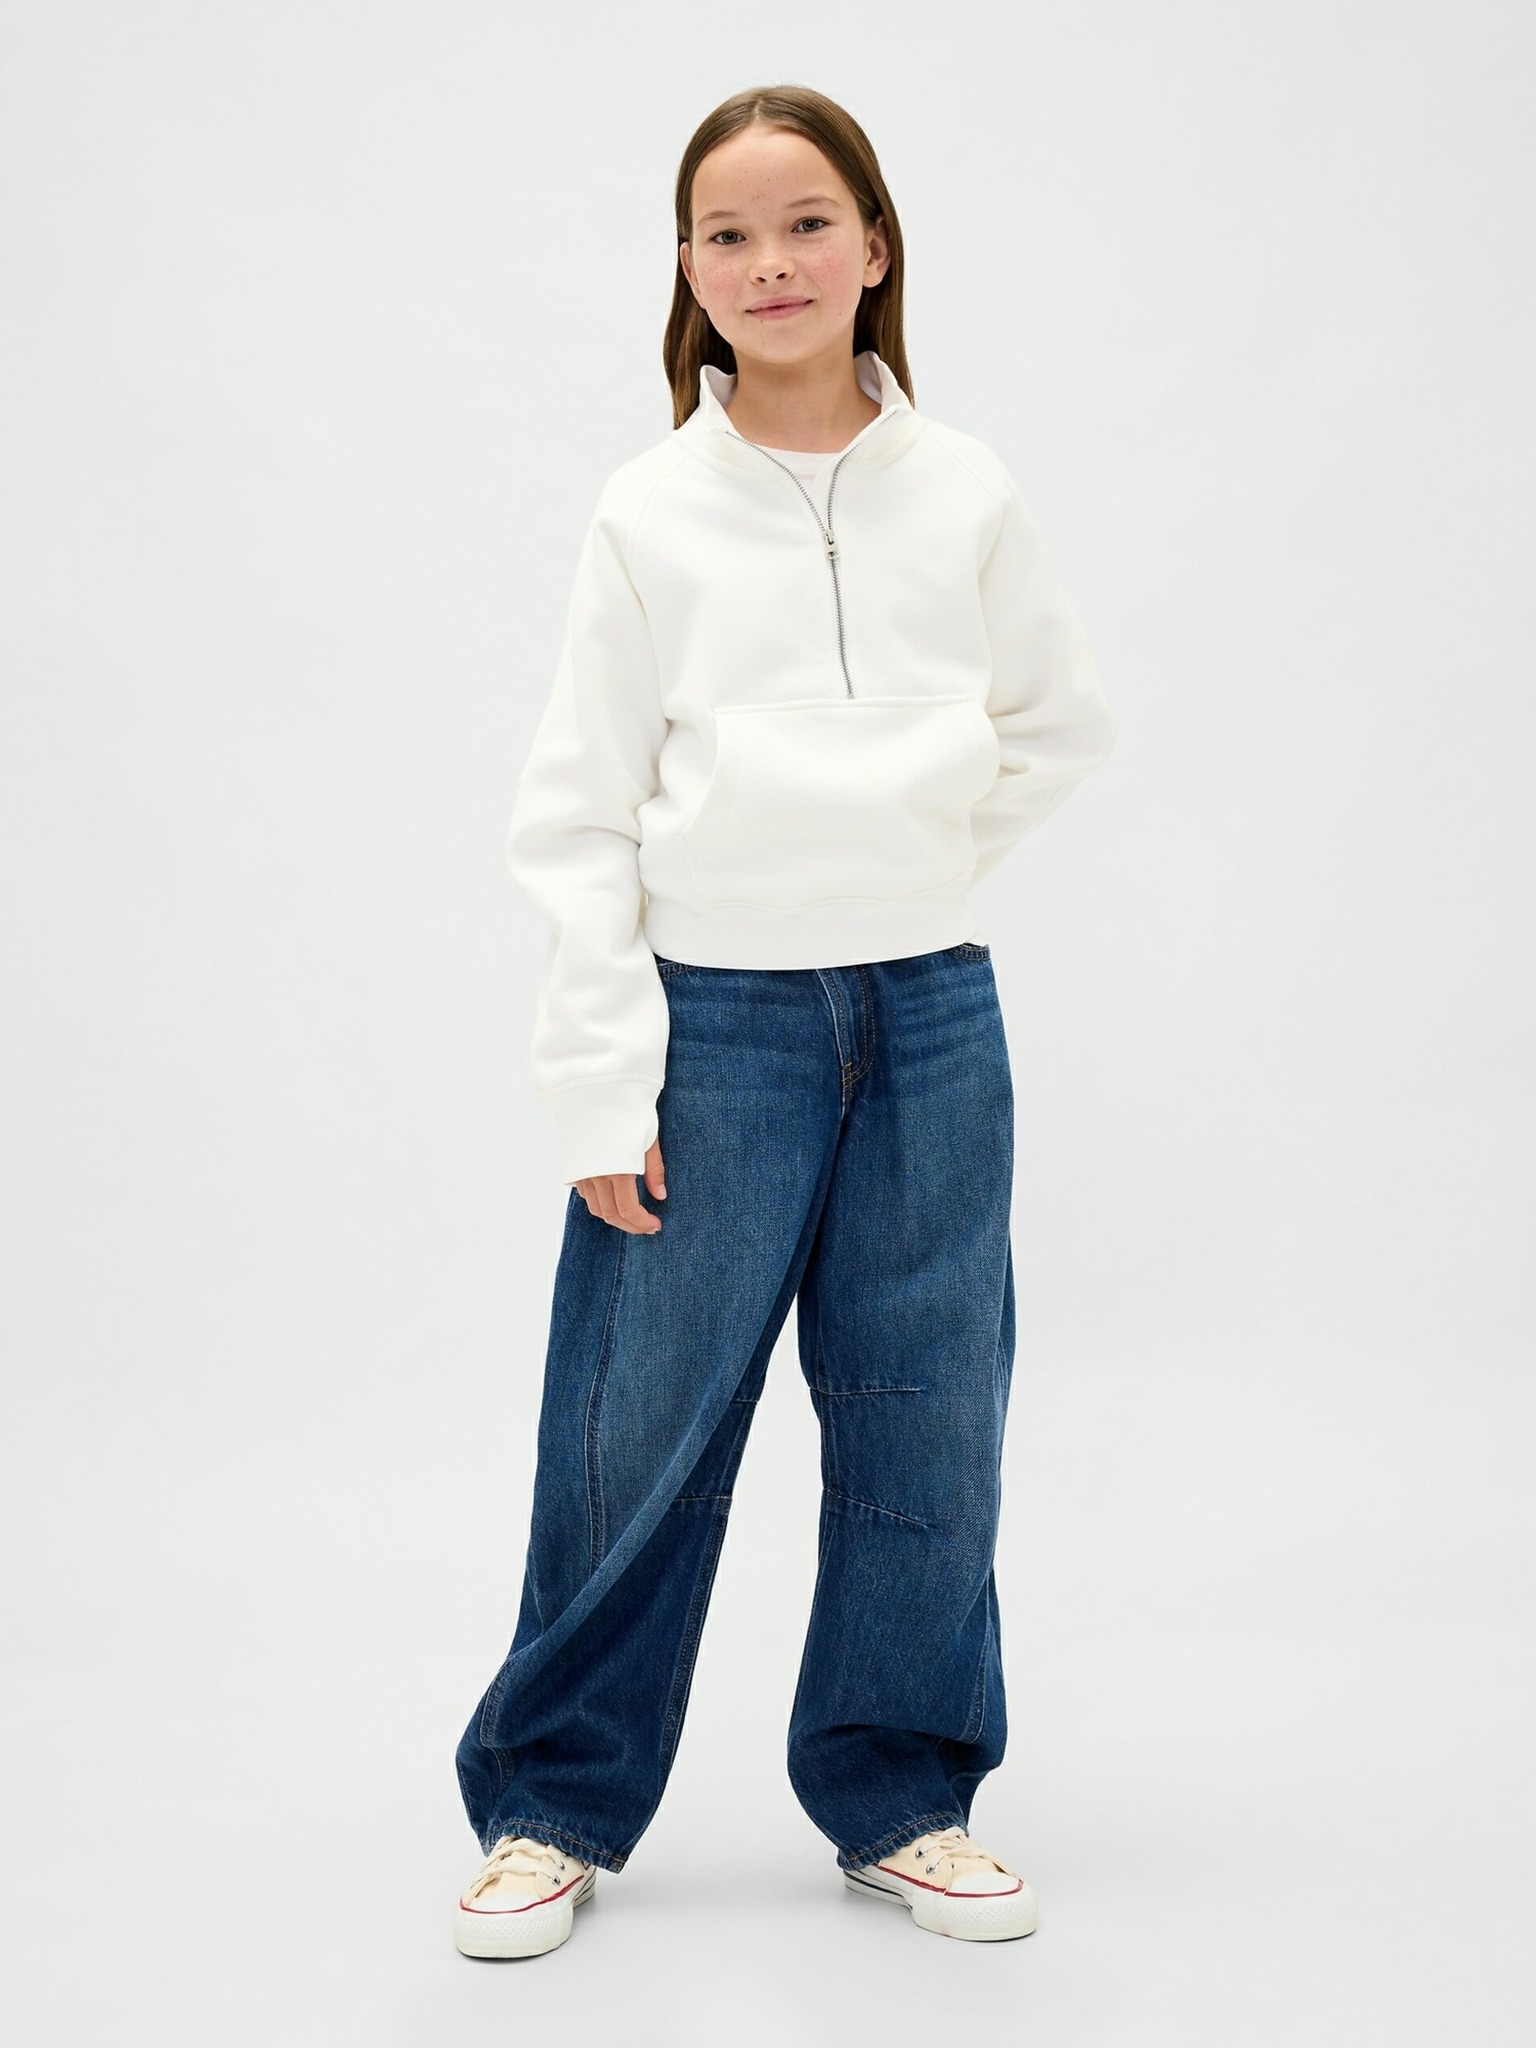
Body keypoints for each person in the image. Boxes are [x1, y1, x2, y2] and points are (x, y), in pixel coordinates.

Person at [452, 82, 1117, 1960]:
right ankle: (552, 1802)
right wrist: (601, 1078)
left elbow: (1058, 723)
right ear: (687, 269)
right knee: (636, 1426)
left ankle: (903, 1794)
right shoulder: (648, 510)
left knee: (929, 1416)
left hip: (933, 1018)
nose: (771, 263)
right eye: (728, 235)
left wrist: (907, 849)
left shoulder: (963, 486)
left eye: (808, 223)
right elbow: (577, 812)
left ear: (875, 245)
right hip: (713, 1026)